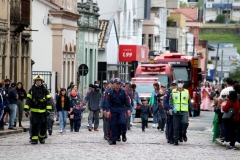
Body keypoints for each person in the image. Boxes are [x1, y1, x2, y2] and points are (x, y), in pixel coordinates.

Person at [24, 75, 52, 144]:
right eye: (37, 80)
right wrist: (26, 109)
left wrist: (48, 110)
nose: (38, 81)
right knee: (34, 125)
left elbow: (49, 100)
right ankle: (34, 139)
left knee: (43, 124)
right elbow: (28, 100)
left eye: (39, 80)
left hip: (43, 111)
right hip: (34, 111)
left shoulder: (45, 90)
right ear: (35, 81)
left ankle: (42, 137)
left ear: (42, 81)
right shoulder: (32, 90)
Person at [105, 78, 131, 145]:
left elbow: (127, 101)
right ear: (114, 84)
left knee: (123, 122)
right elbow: (107, 101)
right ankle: (113, 139)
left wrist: (128, 109)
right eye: (117, 83)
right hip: (113, 109)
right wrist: (107, 110)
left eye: (119, 83)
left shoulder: (123, 92)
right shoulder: (110, 92)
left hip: (121, 109)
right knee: (113, 124)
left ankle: (123, 134)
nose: (118, 85)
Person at [169, 79, 192, 146]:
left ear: (183, 83)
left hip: (184, 110)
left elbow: (189, 101)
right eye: (179, 83)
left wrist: (191, 109)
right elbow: (170, 101)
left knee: (185, 123)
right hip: (176, 111)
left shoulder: (186, 91)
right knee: (176, 126)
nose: (180, 84)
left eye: (181, 82)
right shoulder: (173, 91)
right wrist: (173, 108)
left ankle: (183, 133)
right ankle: (176, 140)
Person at [217, 78, 234, 145]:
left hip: (224, 109)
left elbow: (220, 100)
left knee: (224, 125)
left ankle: (225, 138)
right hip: (233, 110)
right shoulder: (234, 89)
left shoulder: (224, 90)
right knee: (232, 125)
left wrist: (217, 107)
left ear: (226, 83)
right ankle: (231, 139)